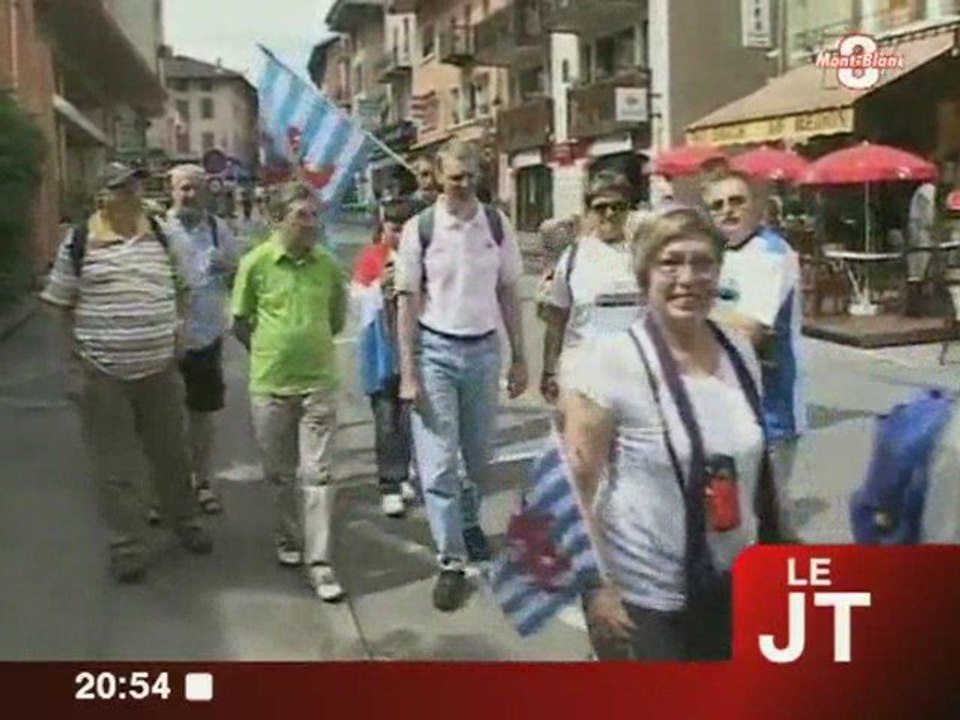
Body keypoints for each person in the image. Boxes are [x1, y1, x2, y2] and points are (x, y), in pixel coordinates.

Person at [562, 207, 774, 660]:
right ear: (645, 276)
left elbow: (756, 467)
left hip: (731, 584)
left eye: (703, 263)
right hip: (645, 597)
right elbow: (574, 486)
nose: (688, 278)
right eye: (671, 263)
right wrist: (595, 588)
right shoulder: (611, 361)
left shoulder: (738, 350)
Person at [41, 162, 213, 583]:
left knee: (172, 454)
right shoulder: (79, 241)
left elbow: (185, 287)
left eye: (134, 186)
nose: (131, 194)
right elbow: (58, 305)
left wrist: (179, 331)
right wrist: (72, 366)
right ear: (102, 197)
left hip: (159, 369)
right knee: (116, 467)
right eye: (121, 188)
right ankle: (128, 546)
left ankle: (185, 521)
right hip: (102, 373)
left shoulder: (162, 234)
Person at [395, 139, 528, 611]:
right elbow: (407, 302)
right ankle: (449, 561)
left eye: (471, 176)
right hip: (436, 353)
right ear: (438, 177)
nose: (464, 185)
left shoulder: (496, 224)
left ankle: (468, 522)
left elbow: (509, 291)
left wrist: (519, 357)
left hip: (484, 351)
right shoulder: (420, 228)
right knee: (438, 465)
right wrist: (408, 372)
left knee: (478, 458)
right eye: (455, 177)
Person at [231, 181, 348, 602]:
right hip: (271, 385)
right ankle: (287, 537)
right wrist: (269, 351)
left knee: (318, 475)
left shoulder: (328, 265)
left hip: (319, 383)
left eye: (315, 216)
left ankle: (320, 563)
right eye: (302, 216)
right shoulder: (255, 264)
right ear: (277, 220)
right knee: (279, 474)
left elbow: (336, 318)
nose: (311, 224)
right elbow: (240, 321)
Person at [703, 169, 805, 541]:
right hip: (725, 405)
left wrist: (691, 315)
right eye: (717, 205)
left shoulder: (772, 253)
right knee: (727, 514)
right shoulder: (714, 255)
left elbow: (750, 330)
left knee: (769, 520)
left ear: (756, 206)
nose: (727, 211)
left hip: (771, 410)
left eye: (736, 201)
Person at [154, 164, 243, 517]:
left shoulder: (219, 230)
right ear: (171, 190)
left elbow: (239, 275)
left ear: (206, 191)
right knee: (162, 420)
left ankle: (202, 482)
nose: (189, 195)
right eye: (183, 188)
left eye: (195, 188)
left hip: (206, 337)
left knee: (201, 418)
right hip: (163, 338)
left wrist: (229, 269)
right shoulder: (157, 230)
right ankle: (163, 491)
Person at [540, 172, 642, 405]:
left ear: (629, 210)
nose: (610, 213)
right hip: (584, 379)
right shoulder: (574, 257)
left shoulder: (645, 255)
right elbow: (556, 319)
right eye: (601, 207)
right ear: (589, 212)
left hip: (637, 379)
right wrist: (549, 370)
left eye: (618, 207)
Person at [352, 207, 417, 517]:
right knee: (386, 418)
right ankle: (390, 484)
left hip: (414, 353)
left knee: (409, 420)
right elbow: (357, 301)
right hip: (381, 352)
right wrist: (380, 285)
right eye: (394, 228)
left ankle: (404, 474)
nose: (400, 235)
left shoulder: (422, 255)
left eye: (405, 228)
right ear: (383, 230)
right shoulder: (371, 258)